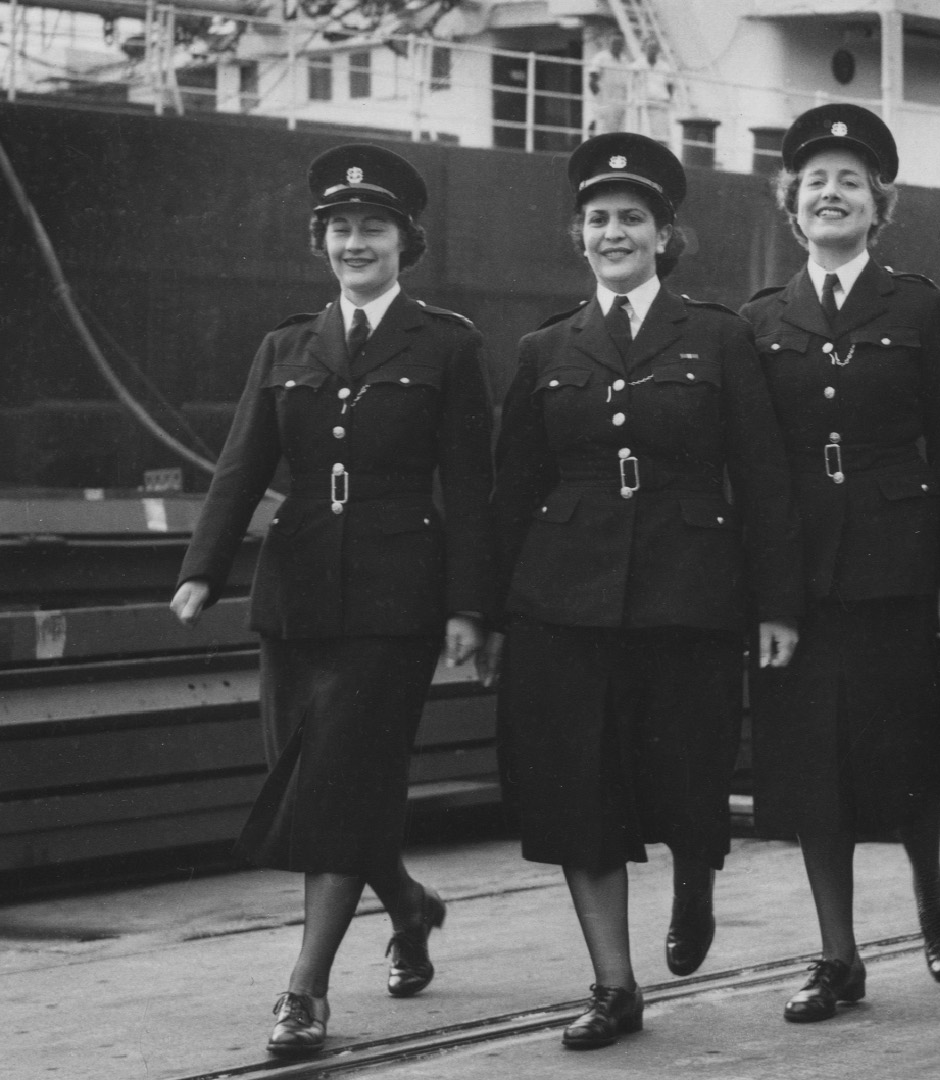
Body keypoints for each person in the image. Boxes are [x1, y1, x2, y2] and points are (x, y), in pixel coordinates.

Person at [171, 144, 493, 1058]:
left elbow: (472, 487)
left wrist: (472, 607)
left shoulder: (449, 345)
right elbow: (242, 466)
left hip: (397, 601)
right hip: (297, 594)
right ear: (323, 242)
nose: (356, 243)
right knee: (321, 789)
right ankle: (410, 903)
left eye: (374, 229)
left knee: (343, 782)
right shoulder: (284, 346)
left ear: (406, 242)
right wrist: (204, 567)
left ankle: (304, 991)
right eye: (341, 229)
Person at [487, 132, 802, 1050]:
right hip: (565, 601)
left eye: (633, 219)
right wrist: (490, 613)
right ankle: (614, 986)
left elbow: (765, 477)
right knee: (577, 791)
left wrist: (776, 604)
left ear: (667, 236)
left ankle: (696, 866)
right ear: (578, 236)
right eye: (598, 219)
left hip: (689, 593)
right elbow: (512, 492)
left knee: (688, 777)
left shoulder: (718, 336)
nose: (614, 233)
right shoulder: (547, 347)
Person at [741, 103, 940, 1024]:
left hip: (901, 567)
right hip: (803, 576)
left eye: (849, 181)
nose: (830, 194)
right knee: (811, 767)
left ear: (878, 204)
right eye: (813, 183)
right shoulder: (761, 321)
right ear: (791, 207)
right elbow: (754, 470)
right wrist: (765, 592)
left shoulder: (919, 308)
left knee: (906, 750)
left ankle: (929, 884)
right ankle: (838, 956)